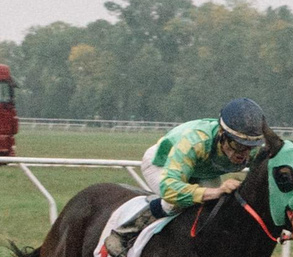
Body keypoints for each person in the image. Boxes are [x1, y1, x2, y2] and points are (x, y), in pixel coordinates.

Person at [117, 99, 273, 247]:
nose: (244, 154)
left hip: (202, 171)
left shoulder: (250, 152)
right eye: (237, 145)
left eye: (250, 147)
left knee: (217, 206)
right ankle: (127, 231)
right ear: (222, 134)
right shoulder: (196, 141)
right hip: (162, 164)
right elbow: (170, 189)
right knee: (175, 203)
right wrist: (217, 191)